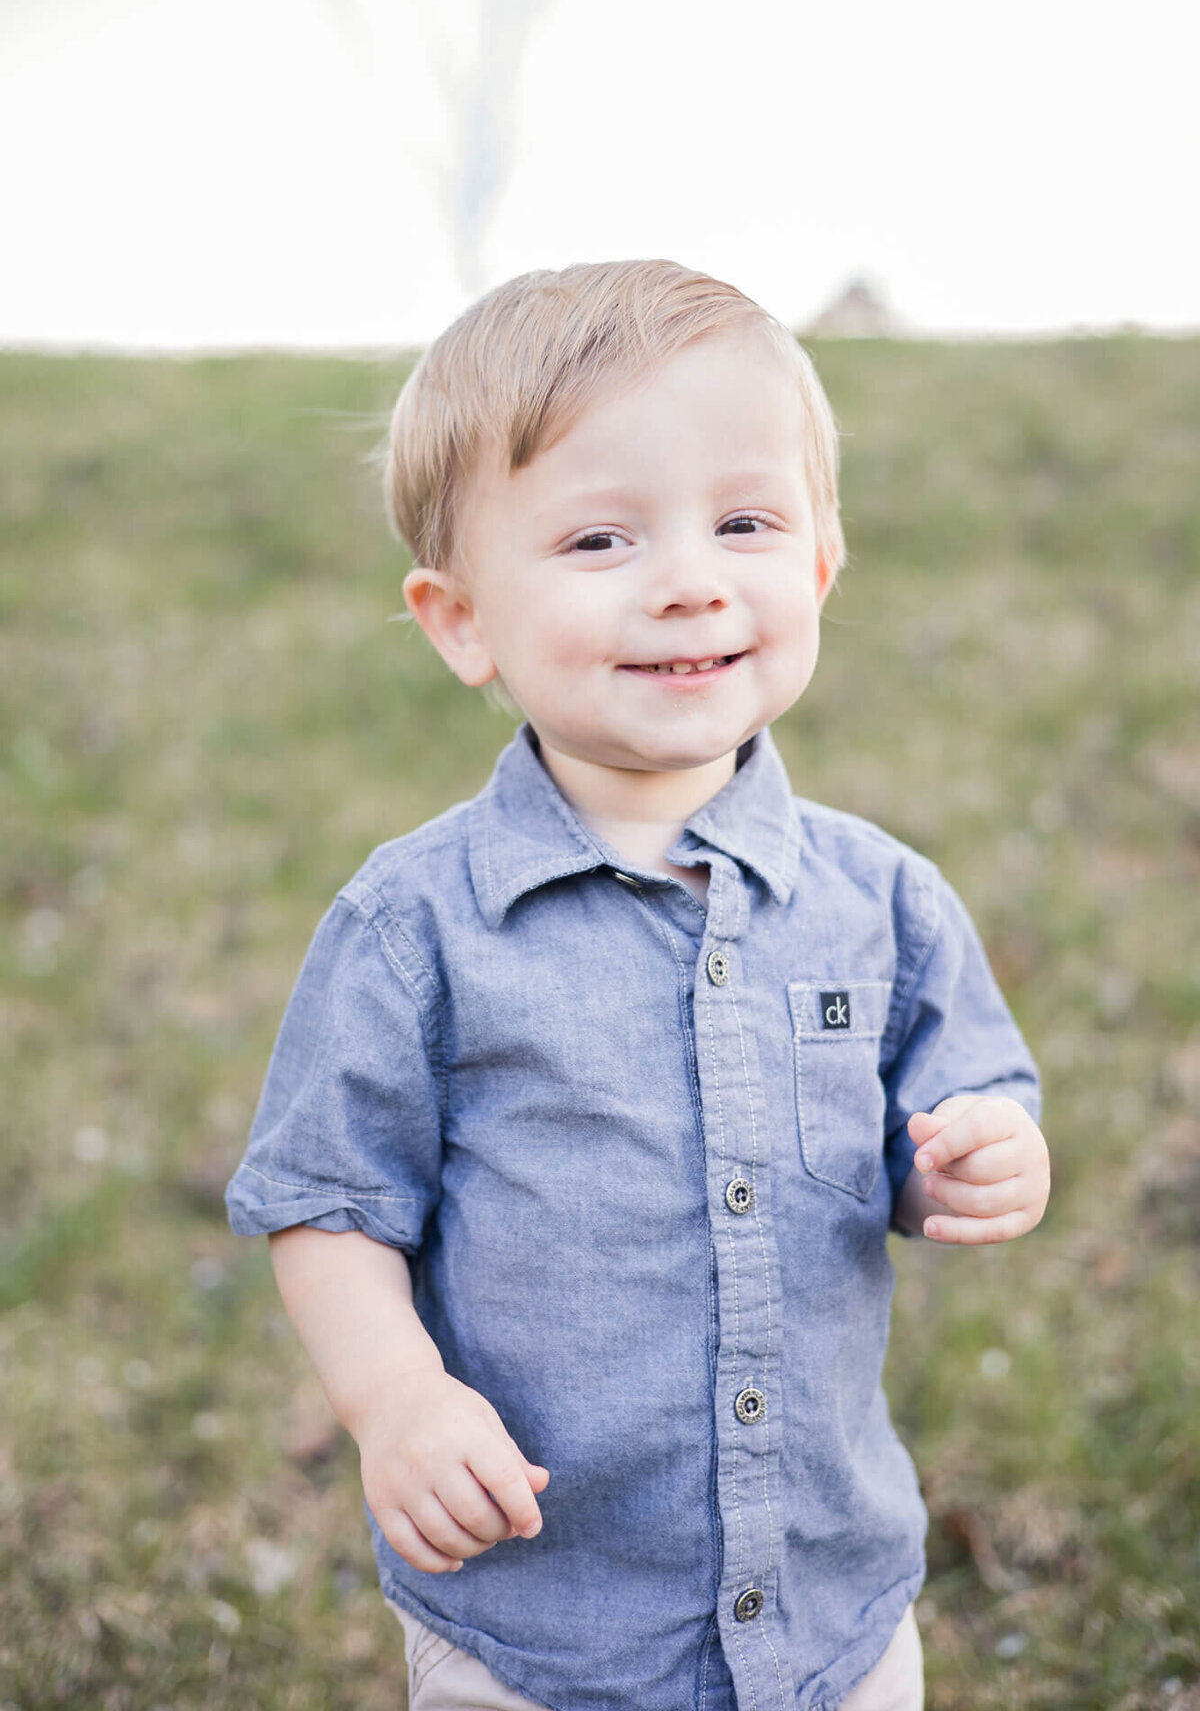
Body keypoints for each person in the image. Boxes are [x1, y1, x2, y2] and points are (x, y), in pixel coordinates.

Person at [226, 259, 1049, 1711]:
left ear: (820, 565)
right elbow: (325, 1198)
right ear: (461, 617)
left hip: (831, 1603)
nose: (690, 577)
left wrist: (976, 1160)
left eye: (745, 522)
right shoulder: (416, 926)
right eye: (601, 537)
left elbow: (947, 1111)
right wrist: (396, 1399)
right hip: (540, 1619)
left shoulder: (885, 900)